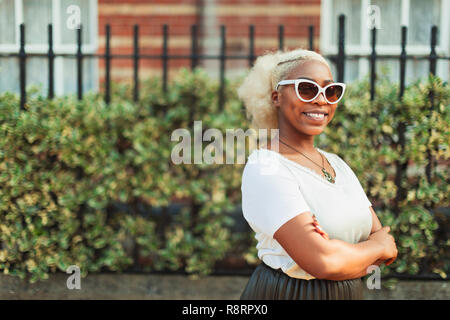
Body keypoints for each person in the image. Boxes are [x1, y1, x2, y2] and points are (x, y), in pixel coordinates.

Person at [237, 48, 398, 300]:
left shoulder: (336, 164)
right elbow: (323, 263)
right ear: (276, 97)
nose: (322, 100)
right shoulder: (266, 168)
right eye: (307, 89)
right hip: (292, 293)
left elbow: (383, 243)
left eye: (330, 90)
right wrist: (373, 248)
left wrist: (340, 252)